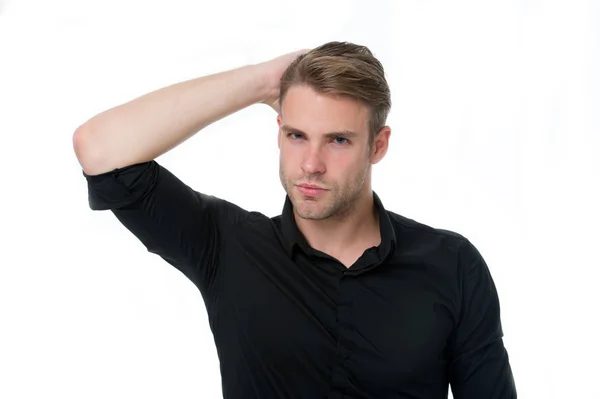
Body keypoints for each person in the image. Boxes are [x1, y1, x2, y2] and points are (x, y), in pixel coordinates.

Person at [73, 41, 517, 398]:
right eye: (297, 136)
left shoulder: (452, 264)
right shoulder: (226, 246)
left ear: (377, 146)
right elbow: (99, 148)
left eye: (338, 140)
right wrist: (265, 81)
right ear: (279, 130)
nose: (311, 164)